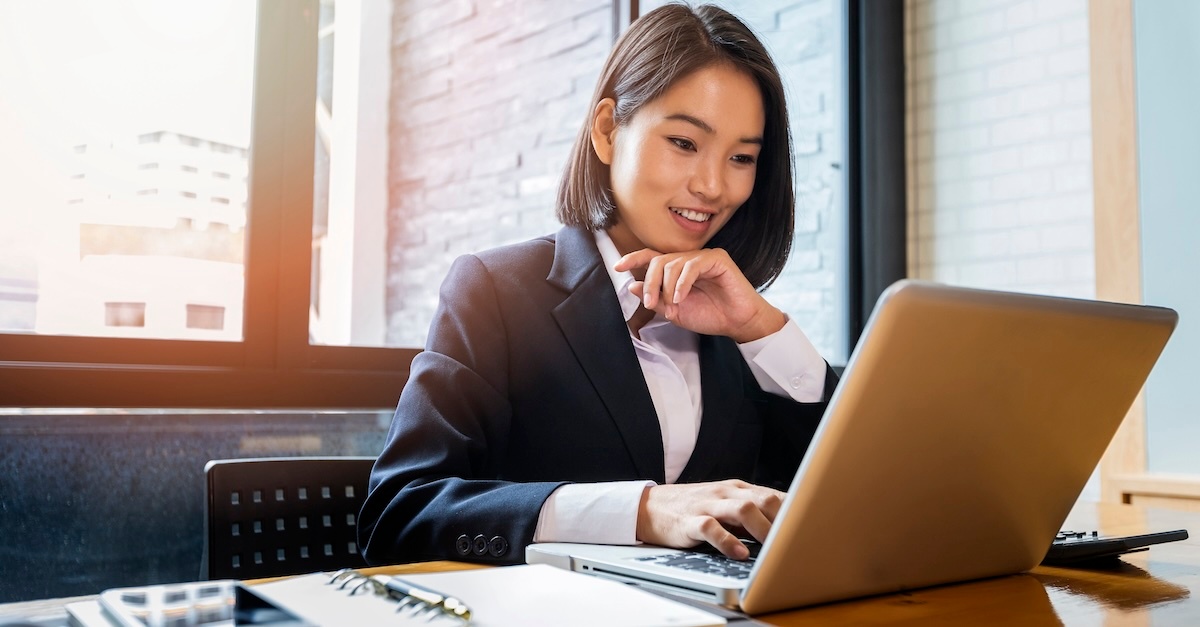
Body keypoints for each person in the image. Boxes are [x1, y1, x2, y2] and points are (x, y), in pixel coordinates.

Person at [358, 3, 838, 567]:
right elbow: (399, 513)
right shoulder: (497, 291)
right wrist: (641, 511)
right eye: (684, 142)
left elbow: (840, 499)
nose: (712, 186)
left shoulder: (743, 334)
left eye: (740, 157)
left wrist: (761, 329)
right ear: (608, 131)